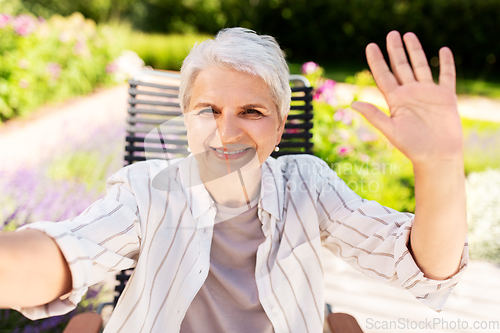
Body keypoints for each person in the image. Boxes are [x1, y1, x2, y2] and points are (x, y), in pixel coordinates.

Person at [0, 28, 468, 333]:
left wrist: (440, 164)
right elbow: (66, 253)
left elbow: (423, 266)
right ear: (186, 119)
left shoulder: (307, 186)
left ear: (281, 127)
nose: (226, 131)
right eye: (208, 110)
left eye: (252, 112)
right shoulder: (147, 189)